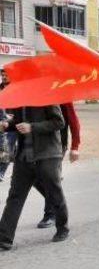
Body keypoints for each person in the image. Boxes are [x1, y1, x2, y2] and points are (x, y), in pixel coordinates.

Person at [0, 105, 69, 250]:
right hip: (24, 157)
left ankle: (63, 228)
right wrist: (7, 125)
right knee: (15, 197)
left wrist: (32, 127)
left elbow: (59, 122)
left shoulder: (47, 97)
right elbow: (18, 124)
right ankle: (4, 239)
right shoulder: (21, 99)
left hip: (47, 155)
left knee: (53, 192)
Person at [36, 102, 81, 228]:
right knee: (36, 178)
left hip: (57, 144)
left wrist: (75, 147)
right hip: (37, 144)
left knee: (49, 179)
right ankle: (58, 201)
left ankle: (51, 214)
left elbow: (74, 121)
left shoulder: (62, 96)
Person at [0, 69, 17, 182]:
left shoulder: (16, 89)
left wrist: (12, 118)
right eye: (3, 75)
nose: (4, 77)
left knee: (7, 149)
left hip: (12, 125)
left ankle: (1, 172)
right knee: (6, 149)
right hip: (1, 124)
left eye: (6, 75)